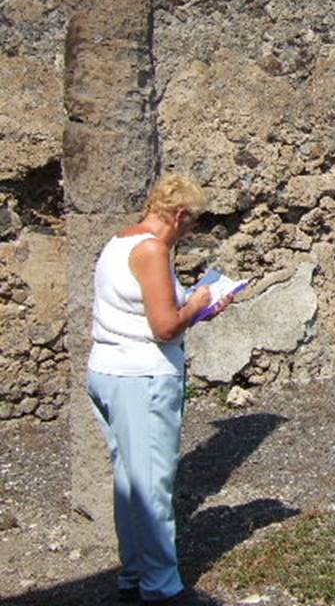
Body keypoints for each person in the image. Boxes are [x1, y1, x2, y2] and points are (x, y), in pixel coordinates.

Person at [86, 174, 233, 605]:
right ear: (180, 215)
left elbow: (143, 307)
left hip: (109, 371)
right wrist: (196, 304)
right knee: (151, 485)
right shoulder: (152, 250)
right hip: (141, 378)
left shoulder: (119, 242)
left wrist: (200, 308)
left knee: (129, 481)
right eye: (192, 224)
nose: (190, 233)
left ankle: (134, 573)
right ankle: (162, 588)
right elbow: (165, 325)